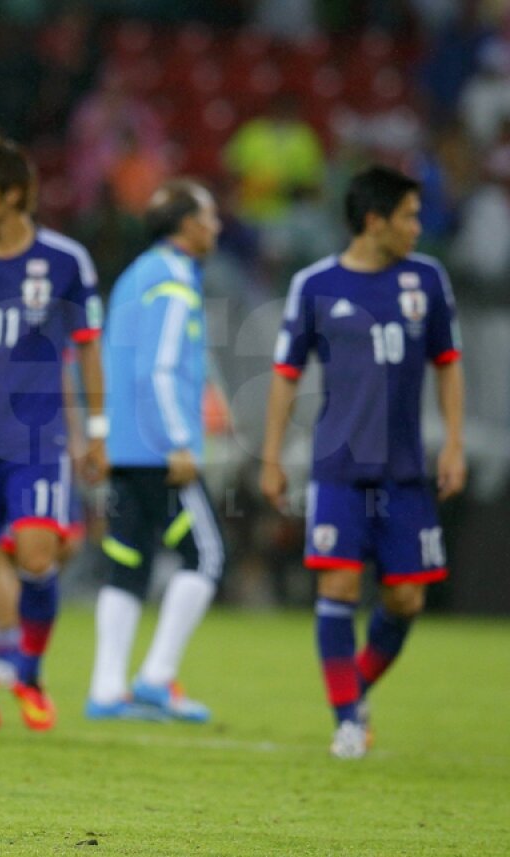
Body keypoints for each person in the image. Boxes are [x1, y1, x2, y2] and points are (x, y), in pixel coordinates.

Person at [259, 165, 465, 759]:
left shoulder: (426, 280)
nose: (417, 227)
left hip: (404, 469)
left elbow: (448, 362)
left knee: (406, 600)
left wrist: (452, 442)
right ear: (374, 220)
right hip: (339, 465)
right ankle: (348, 719)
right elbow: (284, 376)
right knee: (340, 581)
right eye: (408, 216)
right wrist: (272, 457)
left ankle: (353, 686)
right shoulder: (315, 285)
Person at [0, 133, 104, 732]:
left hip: (40, 440)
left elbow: (88, 348)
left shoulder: (66, 261)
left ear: (13, 195)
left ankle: (30, 675)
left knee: (39, 554)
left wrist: (97, 429)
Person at [86, 179, 225, 724]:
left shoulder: (134, 275)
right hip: (159, 450)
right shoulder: (174, 280)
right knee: (206, 556)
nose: (215, 226)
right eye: (209, 216)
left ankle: (106, 690)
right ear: (186, 225)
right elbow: (158, 369)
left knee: (129, 564)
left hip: (124, 444)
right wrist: (181, 441)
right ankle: (156, 678)